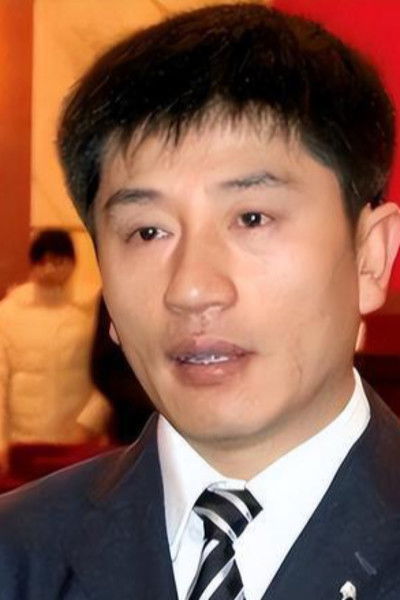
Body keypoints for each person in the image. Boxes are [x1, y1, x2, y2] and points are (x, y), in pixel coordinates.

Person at [0, 4, 400, 598]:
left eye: (252, 218)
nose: (191, 289)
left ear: (370, 256)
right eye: (147, 232)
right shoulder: (16, 553)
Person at [0, 229, 111, 479]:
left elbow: (111, 372)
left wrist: (90, 422)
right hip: (23, 446)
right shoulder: (7, 314)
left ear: (72, 263)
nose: (50, 269)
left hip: (79, 444)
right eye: (43, 261)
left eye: (58, 261)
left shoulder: (93, 310)